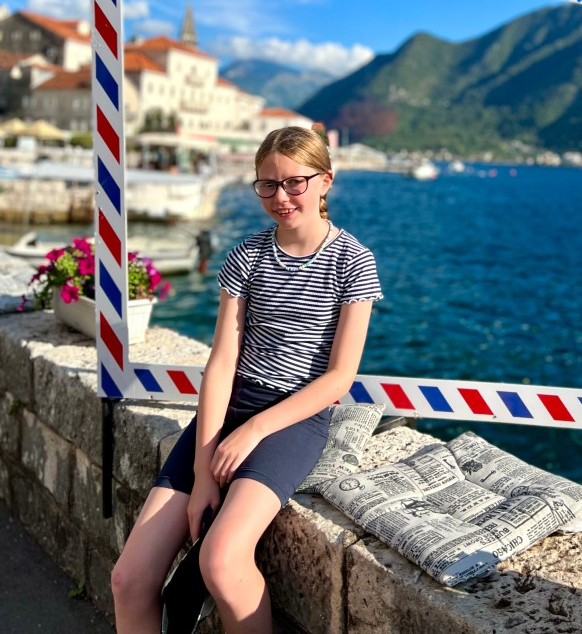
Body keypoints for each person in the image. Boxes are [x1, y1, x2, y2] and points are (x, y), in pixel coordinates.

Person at [111, 126, 382, 634]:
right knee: (129, 579)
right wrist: (203, 475)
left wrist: (255, 431)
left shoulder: (352, 261)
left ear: (326, 181)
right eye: (267, 185)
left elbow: (340, 377)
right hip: (230, 407)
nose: (281, 197)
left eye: (294, 183)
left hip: (294, 420)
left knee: (221, 562)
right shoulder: (247, 257)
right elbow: (221, 363)